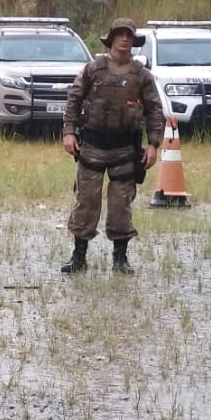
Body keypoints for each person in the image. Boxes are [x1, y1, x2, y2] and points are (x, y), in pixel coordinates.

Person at [60, 17, 165, 275]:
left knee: (121, 206)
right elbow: (74, 99)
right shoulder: (93, 69)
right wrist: (69, 132)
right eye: (120, 34)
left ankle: (120, 259)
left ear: (134, 41)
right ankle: (78, 257)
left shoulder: (141, 75)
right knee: (86, 201)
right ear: (111, 39)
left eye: (129, 35)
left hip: (125, 150)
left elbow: (154, 110)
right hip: (92, 146)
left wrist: (153, 144)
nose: (124, 39)